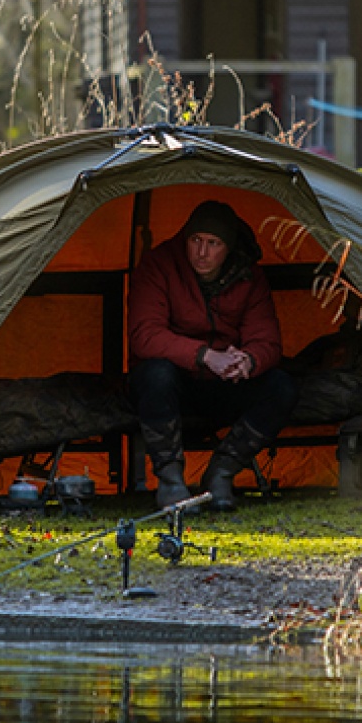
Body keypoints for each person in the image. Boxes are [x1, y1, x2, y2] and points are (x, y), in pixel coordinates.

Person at [129, 200, 297, 511]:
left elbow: (268, 342)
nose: (202, 253)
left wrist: (247, 360)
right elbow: (144, 336)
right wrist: (205, 355)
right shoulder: (160, 264)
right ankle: (171, 481)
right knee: (155, 374)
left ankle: (222, 472)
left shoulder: (248, 276)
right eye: (196, 241)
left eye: (213, 244)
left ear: (228, 249)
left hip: (223, 382)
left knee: (281, 386)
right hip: (174, 383)